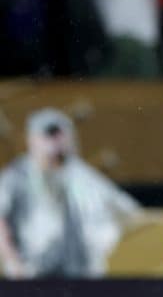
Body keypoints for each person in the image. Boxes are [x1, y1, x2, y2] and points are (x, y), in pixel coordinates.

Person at [0, 107, 140, 278]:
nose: (55, 141)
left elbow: (127, 211)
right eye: (48, 135)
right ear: (32, 139)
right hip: (33, 274)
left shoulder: (82, 174)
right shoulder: (17, 176)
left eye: (61, 134)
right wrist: (12, 260)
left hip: (80, 274)